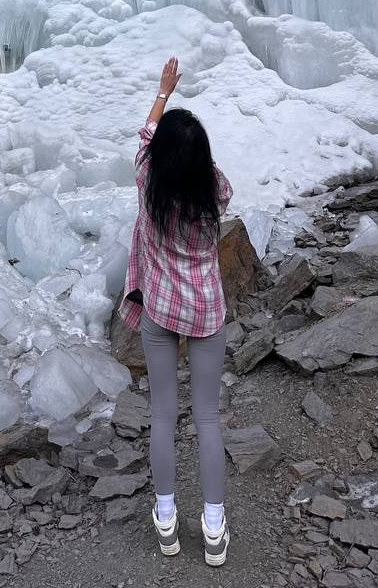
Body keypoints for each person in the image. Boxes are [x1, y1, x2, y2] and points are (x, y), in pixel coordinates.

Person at [119, 57, 233, 567]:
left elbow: (146, 138)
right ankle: (213, 528)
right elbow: (209, 175)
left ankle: (165, 521)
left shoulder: (147, 182)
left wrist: (163, 92)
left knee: (162, 415)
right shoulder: (215, 192)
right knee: (207, 417)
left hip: (160, 310)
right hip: (206, 311)